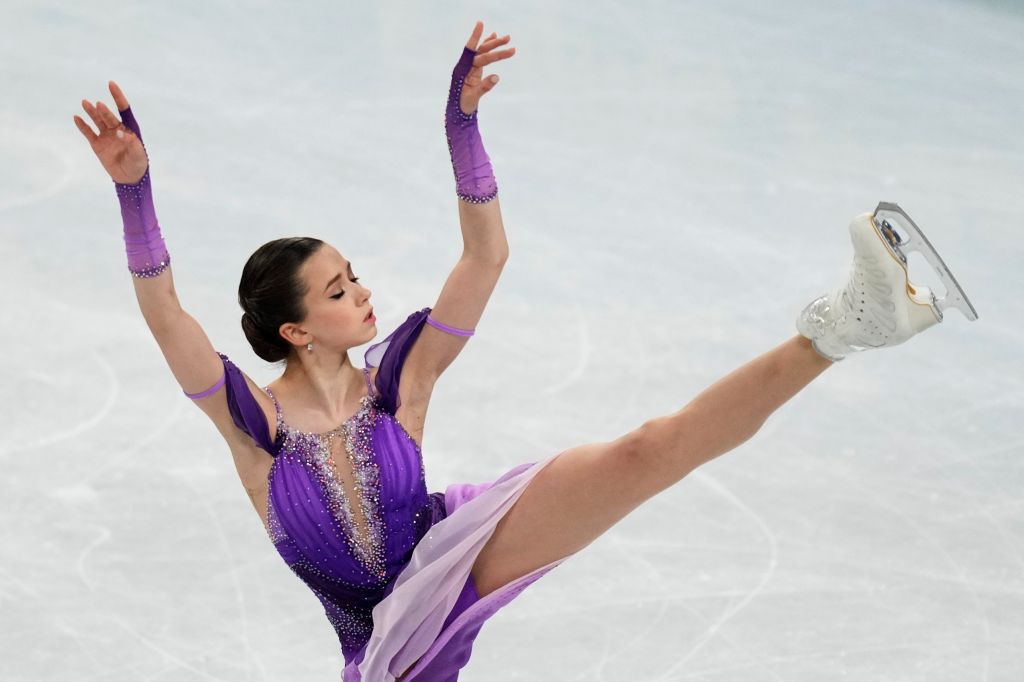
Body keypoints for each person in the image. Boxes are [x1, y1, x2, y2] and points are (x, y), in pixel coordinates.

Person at [73, 20, 978, 682]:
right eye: (340, 290)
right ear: (293, 329)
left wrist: (462, 130)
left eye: (357, 277)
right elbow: (165, 317)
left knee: (644, 451)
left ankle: (846, 326)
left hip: (454, 549)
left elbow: (485, 257)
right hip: (383, 651)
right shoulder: (252, 425)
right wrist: (135, 193)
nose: (365, 295)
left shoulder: (399, 379)